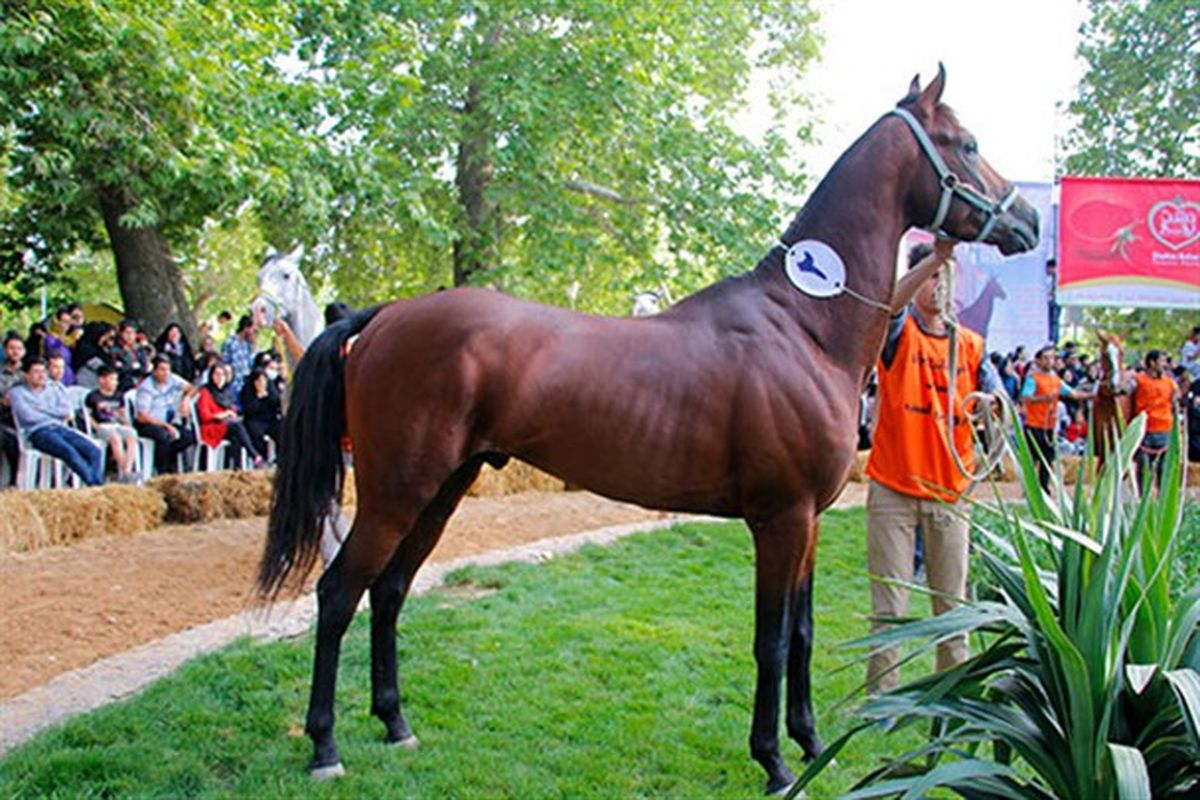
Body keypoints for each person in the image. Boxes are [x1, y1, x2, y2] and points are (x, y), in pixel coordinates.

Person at [864, 239, 1003, 694]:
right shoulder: (898, 334)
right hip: (894, 489)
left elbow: (1002, 407)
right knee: (889, 608)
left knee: (952, 609)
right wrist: (934, 259)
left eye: (945, 274)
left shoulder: (973, 347)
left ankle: (953, 702)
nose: (937, 284)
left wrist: (993, 406)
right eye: (928, 275)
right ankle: (880, 705)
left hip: (951, 491)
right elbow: (888, 309)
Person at [9, 359, 103, 486]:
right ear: (26, 375)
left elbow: (65, 411)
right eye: (36, 372)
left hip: (61, 428)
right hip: (39, 432)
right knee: (69, 451)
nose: (41, 375)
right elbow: (28, 417)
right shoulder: (17, 393)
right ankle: (96, 486)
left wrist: (40, 409)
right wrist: (55, 413)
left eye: (43, 371)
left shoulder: (54, 388)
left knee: (94, 451)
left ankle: (94, 484)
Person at [1020, 345, 1093, 491]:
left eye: (1051, 358)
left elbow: (1072, 393)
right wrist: (1044, 398)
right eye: (1045, 358)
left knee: (1047, 458)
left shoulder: (1056, 379)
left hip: (1049, 425)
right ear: (1038, 361)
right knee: (1032, 458)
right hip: (1034, 425)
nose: (1049, 361)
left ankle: (1044, 488)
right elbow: (1025, 398)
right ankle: (1028, 488)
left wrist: (1093, 396)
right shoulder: (1033, 378)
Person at [1124, 350, 1180, 489]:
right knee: (1144, 471)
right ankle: (1143, 502)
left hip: (1165, 430)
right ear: (1152, 363)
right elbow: (1124, 391)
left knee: (1164, 471)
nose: (1165, 364)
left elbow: (1175, 404)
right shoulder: (1138, 380)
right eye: (1161, 361)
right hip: (1145, 431)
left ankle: (1162, 503)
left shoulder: (1170, 383)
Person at [134, 355, 197, 475]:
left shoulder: (172, 379)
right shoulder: (146, 388)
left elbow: (191, 388)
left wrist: (186, 399)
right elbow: (142, 416)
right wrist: (166, 426)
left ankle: (169, 459)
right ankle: (162, 471)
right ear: (155, 371)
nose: (166, 373)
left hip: (168, 421)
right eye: (162, 369)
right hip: (149, 422)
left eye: (168, 369)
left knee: (189, 436)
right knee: (163, 436)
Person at [196, 362, 263, 469]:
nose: (220, 378)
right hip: (211, 427)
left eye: (222, 375)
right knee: (237, 427)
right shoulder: (205, 392)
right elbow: (205, 415)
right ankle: (255, 455)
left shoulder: (226, 392)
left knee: (236, 437)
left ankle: (237, 467)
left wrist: (231, 413)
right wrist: (223, 414)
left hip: (224, 426)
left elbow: (231, 408)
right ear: (211, 376)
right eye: (216, 374)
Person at [85, 365, 140, 482]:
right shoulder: (93, 396)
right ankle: (123, 471)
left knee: (132, 436)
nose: (115, 383)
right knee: (115, 439)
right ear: (101, 380)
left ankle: (128, 469)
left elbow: (122, 414)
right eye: (112, 379)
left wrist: (127, 424)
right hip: (103, 426)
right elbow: (87, 416)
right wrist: (96, 427)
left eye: (116, 379)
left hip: (117, 424)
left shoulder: (119, 396)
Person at [239, 366, 282, 462]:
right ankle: (261, 458)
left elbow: (276, 402)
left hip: (270, 419)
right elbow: (248, 409)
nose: (261, 383)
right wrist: (258, 398)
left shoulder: (270, 387)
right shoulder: (247, 389)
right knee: (255, 433)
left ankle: (280, 459)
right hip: (254, 420)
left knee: (282, 430)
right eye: (258, 380)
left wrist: (267, 396)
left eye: (263, 380)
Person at [0, 332, 26, 483]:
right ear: (4, 350)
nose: (15, 352)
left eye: (19, 348)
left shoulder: (29, 373)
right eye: (11, 348)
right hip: (4, 419)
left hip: (25, 419)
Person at [221, 314, 257, 399]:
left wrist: (254, 343)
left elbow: (251, 361)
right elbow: (224, 361)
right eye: (252, 329)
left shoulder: (247, 344)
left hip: (245, 382)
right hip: (234, 382)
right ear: (246, 328)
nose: (253, 332)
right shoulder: (230, 342)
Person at [110, 320, 151, 392]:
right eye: (127, 332)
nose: (130, 336)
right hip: (124, 384)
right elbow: (119, 368)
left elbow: (144, 367)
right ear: (121, 333)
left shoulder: (140, 349)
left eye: (132, 333)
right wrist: (133, 367)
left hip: (141, 383)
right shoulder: (115, 350)